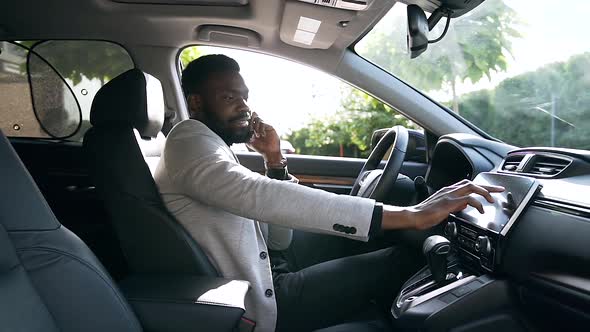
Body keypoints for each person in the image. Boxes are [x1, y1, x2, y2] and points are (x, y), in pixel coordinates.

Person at [154, 54, 503, 332]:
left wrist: (274, 160)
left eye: (245, 96)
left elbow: (276, 237)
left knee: (383, 244)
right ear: (197, 102)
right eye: (229, 97)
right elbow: (254, 193)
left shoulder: (208, 144)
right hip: (262, 299)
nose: (244, 106)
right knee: (408, 258)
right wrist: (410, 214)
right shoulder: (189, 139)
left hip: (268, 267)